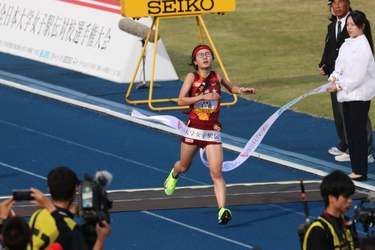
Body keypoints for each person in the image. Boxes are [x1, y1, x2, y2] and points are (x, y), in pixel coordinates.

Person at [163, 44, 256, 225]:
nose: (205, 57)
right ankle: (174, 175)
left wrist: (243, 90)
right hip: (194, 130)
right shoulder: (192, 77)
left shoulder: (217, 75)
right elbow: (181, 100)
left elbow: (232, 87)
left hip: (212, 131)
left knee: (216, 172)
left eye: (208, 54)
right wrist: (202, 97)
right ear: (195, 61)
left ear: (212, 58)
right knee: (184, 166)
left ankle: (222, 210)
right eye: (201, 55)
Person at [319, 0, 374, 164]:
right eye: (333, 3)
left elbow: (360, 64)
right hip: (338, 78)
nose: (336, 6)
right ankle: (348, 145)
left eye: (340, 2)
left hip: (353, 84)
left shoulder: (357, 29)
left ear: (348, 4)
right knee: (341, 115)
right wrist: (326, 67)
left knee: (357, 118)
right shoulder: (332, 26)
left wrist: (340, 82)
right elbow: (330, 48)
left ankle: (365, 151)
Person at [29, 166, 111, 250]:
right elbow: (62, 225)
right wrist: (101, 239)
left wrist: (72, 211)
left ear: (49, 190)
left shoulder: (37, 215)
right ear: (74, 190)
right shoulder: (72, 230)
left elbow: (57, 220)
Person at [302, 170, 359, 250]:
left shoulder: (348, 223)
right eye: (346, 196)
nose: (350, 200)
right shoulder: (319, 230)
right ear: (331, 198)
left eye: (350, 196)